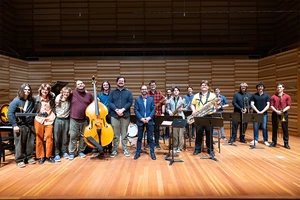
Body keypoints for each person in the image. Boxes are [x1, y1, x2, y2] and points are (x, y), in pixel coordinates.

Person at [7, 83, 36, 168]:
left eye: (28, 89)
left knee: (30, 142)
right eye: (25, 89)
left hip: (29, 125)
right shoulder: (16, 101)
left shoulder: (31, 100)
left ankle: (29, 157)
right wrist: (14, 125)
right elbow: (10, 113)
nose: (27, 91)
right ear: (21, 90)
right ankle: (20, 160)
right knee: (19, 143)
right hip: (20, 125)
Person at [68, 80, 94, 160]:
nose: (80, 85)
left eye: (81, 83)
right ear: (76, 86)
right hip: (74, 118)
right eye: (78, 84)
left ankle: (81, 151)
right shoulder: (72, 93)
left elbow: (93, 104)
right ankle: (72, 152)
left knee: (84, 136)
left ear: (84, 84)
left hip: (85, 119)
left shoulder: (89, 95)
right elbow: (63, 94)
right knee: (73, 136)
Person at [190, 80, 217, 157]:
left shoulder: (213, 95)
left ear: (208, 87)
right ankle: (197, 149)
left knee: (209, 133)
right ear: (200, 87)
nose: (204, 86)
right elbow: (192, 104)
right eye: (202, 85)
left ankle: (210, 149)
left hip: (209, 116)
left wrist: (218, 105)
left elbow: (216, 106)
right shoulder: (196, 95)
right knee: (198, 133)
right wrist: (194, 110)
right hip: (199, 116)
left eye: (205, 85)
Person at [109, 76, 133, 158]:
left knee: (124, 134)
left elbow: (130, 102)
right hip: (114, 115)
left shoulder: (128, 92)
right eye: (119, 81)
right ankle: (115, 150)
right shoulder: (112, 92)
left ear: (124, 83)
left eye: (122, 81)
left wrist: (122, 110)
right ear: (116, 82)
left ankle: (125, 149)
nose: (121, 82)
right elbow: (110, 102)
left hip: (125, 115)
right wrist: (116, 110)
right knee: (115, 135)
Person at [34, 83, 56, 164]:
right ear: (40, 90)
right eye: (43, 89)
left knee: (49, 138)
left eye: (47, 89)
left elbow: (60, 96)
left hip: (49, 119)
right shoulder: (36, 98)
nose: (45, 91)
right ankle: (40, 156)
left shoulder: (52, 98)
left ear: (49, 91)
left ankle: (49, 156)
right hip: (39, 120)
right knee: (39, 138)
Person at [133, 85, 156, 160]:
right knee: (139, 138)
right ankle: (138, 152)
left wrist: (149, 118)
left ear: (147, 90)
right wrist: (142, 118)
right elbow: (136, 110)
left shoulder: (151, 99)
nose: (144, 90)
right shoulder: (137, 99)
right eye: (142, 89)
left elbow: (153, 109)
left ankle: (152, 152)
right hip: (141, 121)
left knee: (150, 138)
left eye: (145, 89)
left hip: (149, 121)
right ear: (140, 90)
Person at [269, 83, 292, 149]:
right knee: (274, 128)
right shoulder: (273, 97)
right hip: (275, 113)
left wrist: (283, 111)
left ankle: (286, 143)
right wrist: (276, 111)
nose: (279, 88)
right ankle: (274, 142)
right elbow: (271, 105)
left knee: (285, 128)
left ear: (283, 88)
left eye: (280, 87)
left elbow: (289, 106)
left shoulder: (287, 96)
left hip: (283, 114)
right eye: (278, 87)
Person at [53, 86, 72, 162]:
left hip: (66, 120)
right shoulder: (57, 100)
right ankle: (56, 153)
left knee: (65, 137)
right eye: (65, 92)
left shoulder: (70, 100)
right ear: (62, 93)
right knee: (57, 137)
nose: (66, 94)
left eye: (67, 92)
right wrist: (58, 96)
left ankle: (64, 152)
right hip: (58, 119)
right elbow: (51, 94)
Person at [166, 87, 185, 152]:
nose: (176, 92)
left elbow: (186, 107)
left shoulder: (182, 99)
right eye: (174, 91)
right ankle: (174, 146)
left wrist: (182, 109)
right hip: (173, 117)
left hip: (180, 117)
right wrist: (169, 111)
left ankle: (180, 147)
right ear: (173, 92)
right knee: (174, 133)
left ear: (179, 92)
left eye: (177, 90)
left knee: (180, 133)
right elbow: (167, 108)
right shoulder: (170, 100)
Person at [148, 80, 166, 149]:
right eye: (151, 85)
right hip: (149, 114)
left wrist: (163, 113)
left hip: (157, 114)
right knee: (149, 129)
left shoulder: (159, 94)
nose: (153, 86)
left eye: (154, 85)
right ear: (150, 86)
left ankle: (157, 143)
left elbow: (163, 103)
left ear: (156, 86)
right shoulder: (147, 94)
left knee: (157, 129)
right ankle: (149, 143)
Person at [97, 80, 112, 153]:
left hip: (110, 114)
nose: (106, 86)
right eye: (104, 85)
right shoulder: (99, 95)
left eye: (107, 85)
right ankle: (102, 146)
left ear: (109, 86)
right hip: (102, 115)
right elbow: (97, 104)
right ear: (102, 87)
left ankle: (110, 146)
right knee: (102, 131)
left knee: (109, 131)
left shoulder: (112, 94)